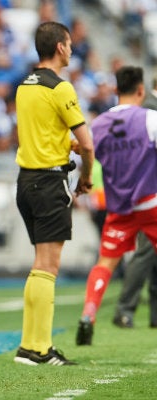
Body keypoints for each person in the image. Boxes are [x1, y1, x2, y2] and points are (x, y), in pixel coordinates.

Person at [12, 21, 94, 366]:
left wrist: (66, 142)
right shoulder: (61, 88)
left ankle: (29, 345)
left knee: (39, 265)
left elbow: (44, 132)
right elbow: (88, 146)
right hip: (48, 183)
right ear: (60, 47)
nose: (72, 49)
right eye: (70, 44)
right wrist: (86, 179)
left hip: (25, 180)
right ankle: (40, 349)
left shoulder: (24, 85)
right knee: (49, 266)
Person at [76, 66, 157, 345]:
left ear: (114, 90)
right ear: (141, 90)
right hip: (150, 201)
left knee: (106, 262)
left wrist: (84, 179)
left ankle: (89, 313)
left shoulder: (97, 125)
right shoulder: (150, 119)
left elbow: (83, 150)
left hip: (119, 207)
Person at [112, 75, 157, 329]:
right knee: (146, 251)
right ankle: (125, 308)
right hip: (149, 190)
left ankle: (154, 314)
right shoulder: (150, 108)